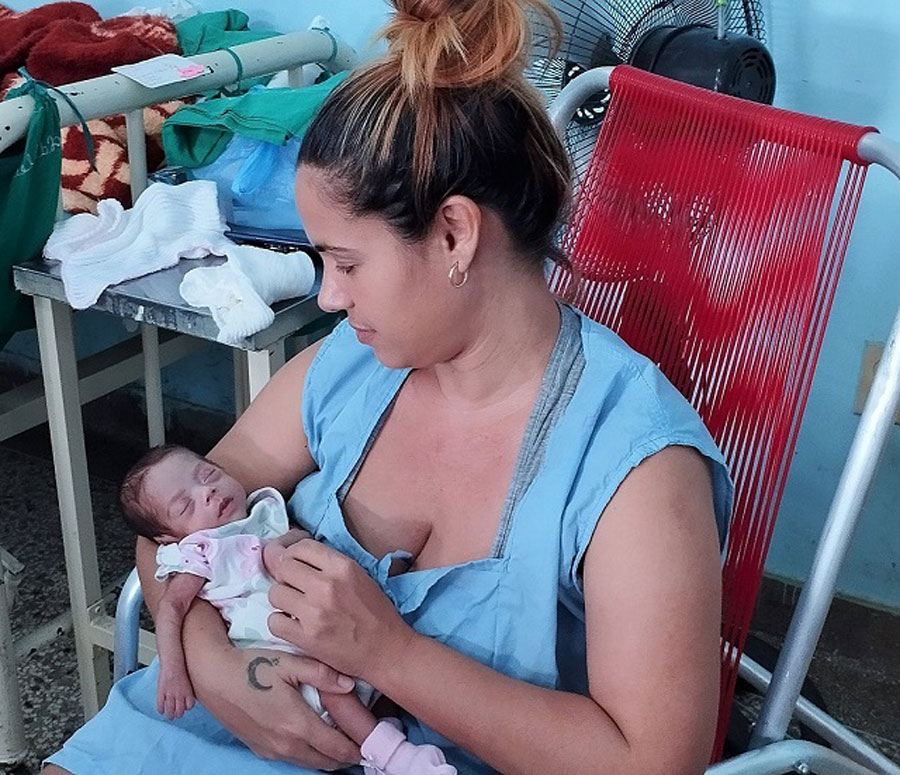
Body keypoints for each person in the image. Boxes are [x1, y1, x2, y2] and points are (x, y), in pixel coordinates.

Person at [43, 0, 732, 772]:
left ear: (453, 235)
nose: (328, 297)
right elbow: (169, 526)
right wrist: (213, 664)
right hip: (204, 729)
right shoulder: (350, 369)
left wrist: (391, 653)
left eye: (347, 263)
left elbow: (652, 762)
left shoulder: (633, 468)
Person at [116, 443, 456, 775]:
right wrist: (173, 670)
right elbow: (173, 607)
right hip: (273, 645)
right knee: (331, 685)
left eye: (209, 474)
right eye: (184, 507)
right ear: (168, 538)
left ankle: (383, 734)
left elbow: (300, 537)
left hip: (321, 619)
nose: (206, 492)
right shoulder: (203, 550)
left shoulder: (263, 511)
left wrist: (280, 548)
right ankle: (392, 756)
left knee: (357, 669)